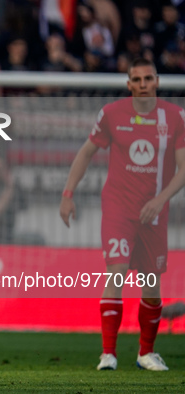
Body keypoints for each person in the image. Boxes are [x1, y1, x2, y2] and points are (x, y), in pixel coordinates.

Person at [59, 58, 185, 371]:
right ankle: (108, 354)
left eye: (148, 78)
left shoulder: (176, 117)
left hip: (154, 212)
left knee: (151, 283)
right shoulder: (112, 114)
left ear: (157, 81)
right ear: (128, 84)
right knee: (116, 270)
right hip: (118, 208)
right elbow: (87, 152)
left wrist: (160, 199)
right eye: (137, 79)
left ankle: (146, 353)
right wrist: (68, 194)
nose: (143, 84)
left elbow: (184, 168)